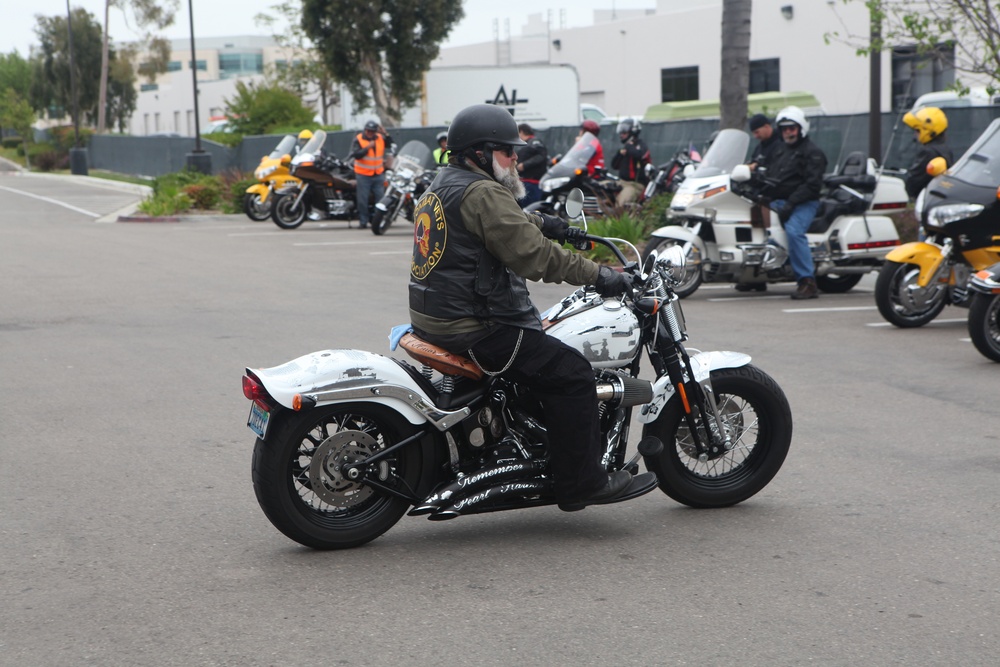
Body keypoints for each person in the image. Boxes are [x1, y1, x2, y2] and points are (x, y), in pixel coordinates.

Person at [408, 103, 634, 511]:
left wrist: (545, 222)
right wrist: (602, 276)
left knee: (542, 365)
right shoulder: (483, 191)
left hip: (435, 318)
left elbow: (493, 228)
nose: (517, 158)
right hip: (478, 325)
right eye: (507, 151)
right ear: (480, 152)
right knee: (573, 375)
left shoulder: (443, 183)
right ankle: (581, 482)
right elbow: (536, 258)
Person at [766, 106, 828, 300]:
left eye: (791, 128)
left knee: (794, 231)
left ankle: (807, 282)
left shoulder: (813, 153)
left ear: (801, 129)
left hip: (804, 203)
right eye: (784, 129)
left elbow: (812, 186)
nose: (788, 132)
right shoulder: (780, 150)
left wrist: (790, 204)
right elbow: (770, 175)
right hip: (780, 201)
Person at [903, 106, 953, 199]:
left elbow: (913, 182)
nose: (915, 134)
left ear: (927, 130)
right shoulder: (945, 149)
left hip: (926, 198)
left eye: (917, 130)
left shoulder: (928, 152)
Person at [350, 120, 393, 229]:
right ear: (365, 130)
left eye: (372, 131)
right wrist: (368, 147)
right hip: (363, 175)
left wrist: (385, 133)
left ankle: (377, 221)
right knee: (363, 200)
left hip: (378, 174)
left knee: (380, 199)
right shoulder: (359, 139)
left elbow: (391, 144)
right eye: (368, 131)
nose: (370, 133)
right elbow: (356, 155)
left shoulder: (380, 138)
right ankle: (363, 221)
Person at [610, 117, 651, 206]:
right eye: (621, 132)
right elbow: (614, 165)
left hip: (634, 185)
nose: (621, 135)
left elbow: (641, 156)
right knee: (601, 190)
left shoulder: (641, 146)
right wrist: (620, 154)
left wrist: (629, 147)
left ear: (633, 131)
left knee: (621, 203)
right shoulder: (624, 148)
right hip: (621, 182)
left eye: (624, 132)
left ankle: (621, 218)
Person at [515, 123, 547, 206]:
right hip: (524, 181)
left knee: (530, 208)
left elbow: (541, 156)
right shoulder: (526, 144)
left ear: (521, 132)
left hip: (532, 182)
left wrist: (524, 165)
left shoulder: (535, 142)